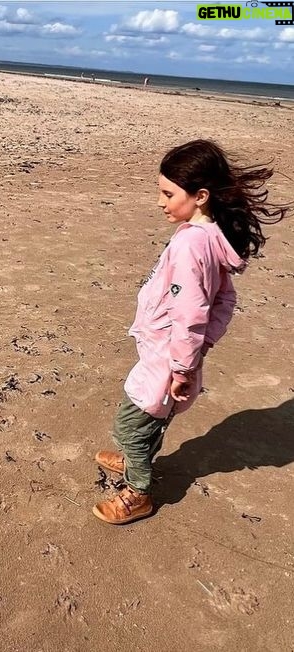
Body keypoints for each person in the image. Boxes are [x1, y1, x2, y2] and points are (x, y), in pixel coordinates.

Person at [92, 139, 288, 525]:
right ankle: (136, 460)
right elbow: (224, 301)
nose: (160, 202)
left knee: (131, 424)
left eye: (168, 194)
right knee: (153, 416)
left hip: (168, 355)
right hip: (172, 351)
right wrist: (202, 347)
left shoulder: (192, 245)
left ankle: (138, 491)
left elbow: (190, 313)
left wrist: (183, 366)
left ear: (200, 196)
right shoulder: (209, 236)